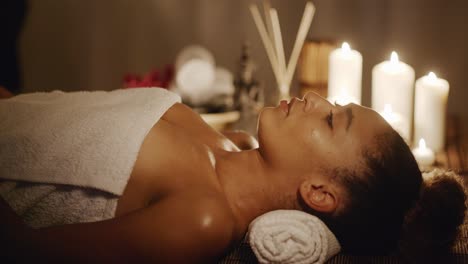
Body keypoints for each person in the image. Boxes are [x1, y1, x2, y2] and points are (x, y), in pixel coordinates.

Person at [0, 90, 466, 263]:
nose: (314, 98)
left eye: (330, 120)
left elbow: (21, 249)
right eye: (335, 105)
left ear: (319, 193)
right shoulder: (230, 145)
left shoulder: (204, 221)